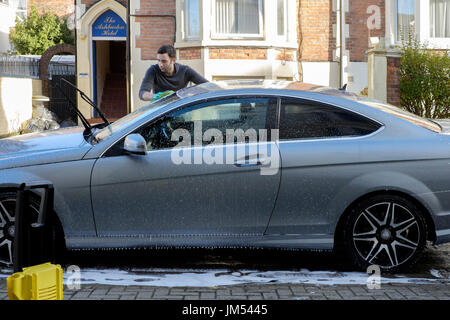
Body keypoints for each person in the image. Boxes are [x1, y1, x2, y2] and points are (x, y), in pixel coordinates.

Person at [139, 45, 208, 101]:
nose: (160, 64)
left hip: (179, 110)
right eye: (159, 60)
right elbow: (142, 93)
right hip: (160, 111)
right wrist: (157, 96)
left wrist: (188, 93)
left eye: (164, 61)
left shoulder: (185, 71)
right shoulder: (153, 70)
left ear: (173, 60)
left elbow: (208, 86)